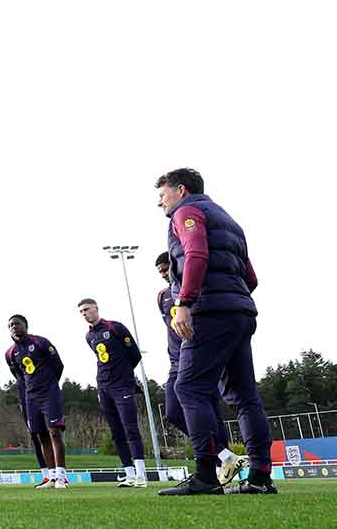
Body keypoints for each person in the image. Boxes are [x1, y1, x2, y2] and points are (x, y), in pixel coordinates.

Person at [154, 168, 275, 495]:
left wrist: (185, 302)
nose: (159, 203)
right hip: (240, 311)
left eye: (162, 195)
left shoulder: (187, 212)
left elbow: (196, 253)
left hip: (209, 312)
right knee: (245, 397)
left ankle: (206, 476)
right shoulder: (229, 220)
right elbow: (251, 278)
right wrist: (232, 300)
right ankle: (261, 477)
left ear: (180, 190)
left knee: (189, 389)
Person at [156, 253, 246, 484]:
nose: (165, 274)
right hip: (177, 360)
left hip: (200, 356)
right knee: (173, 412)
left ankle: (218, 468)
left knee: (211, 414)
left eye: (167, 268)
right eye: (161, 271)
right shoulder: (162, 297)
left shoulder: (197, 287)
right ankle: (225, 457)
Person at [77, 299, 148, 488]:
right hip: (103, 386)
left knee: (130, 428)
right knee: (116, 432)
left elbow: (135, 354)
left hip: (122, 385)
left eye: (86, 309)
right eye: (81, 312)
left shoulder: (115, 327)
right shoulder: (89, 336)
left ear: (96, 309)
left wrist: (124, 374)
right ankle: (129, 473)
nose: (84, 314)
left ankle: (141, 475)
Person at [5, 315, 68, 489]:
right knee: (41, 436)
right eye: (10, 325)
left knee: (54, 432)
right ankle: (51, 477)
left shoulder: (41, 342)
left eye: (17, 324)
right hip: (30, 397)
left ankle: (62, 476)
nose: (14, 327)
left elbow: (58, 365)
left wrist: (50, 384)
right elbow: (19, 376)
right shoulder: (10, 353)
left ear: (25, 325)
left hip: (49, 393)